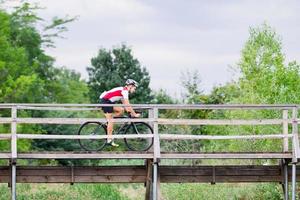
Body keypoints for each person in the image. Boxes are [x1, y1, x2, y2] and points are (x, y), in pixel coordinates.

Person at [99, 79, 140, 147]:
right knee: (111, 121)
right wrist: (134, 114)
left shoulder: (123, 91)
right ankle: (109, 140)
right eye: (134, 88)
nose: (134, 90)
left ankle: (108, 123)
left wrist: (129, 111)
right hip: (105, 101)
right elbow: (128, 104)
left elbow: (125, 105)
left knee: (121, 110)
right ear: (130, 86)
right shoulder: (125, 91)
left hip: (109, 102)